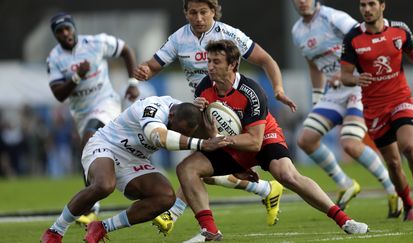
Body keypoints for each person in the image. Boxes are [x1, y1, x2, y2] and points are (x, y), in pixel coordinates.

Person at [177, 39, 368, 242]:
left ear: (232, 65)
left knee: (286, 175)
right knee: (186, 169)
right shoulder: (204, 88)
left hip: (263, 137)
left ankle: (344, 220)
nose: (210, 67)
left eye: (216, 62)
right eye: (209, 61)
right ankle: (210, 232)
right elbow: (211, 131)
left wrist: (224, 144)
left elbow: (254, 143)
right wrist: (201, 114)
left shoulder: (252, 91)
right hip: (231, 141)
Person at [134, 0, 295, 231]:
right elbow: (153, 65)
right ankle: (266, 190)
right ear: (186, 14)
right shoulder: (179, 38)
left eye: (203, 12)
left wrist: (278, 89)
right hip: (205, 109)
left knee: (196, 165)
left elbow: (266, 60)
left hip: (232, 110)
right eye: (192, 12)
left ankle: (174, 213)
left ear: (213, 12)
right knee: (202, 169)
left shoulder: (229, 35)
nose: (198, 18)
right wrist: (145, 70)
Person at [40, 96, 230, 243]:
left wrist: (237, 165)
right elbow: (160, 138)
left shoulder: (186, 116)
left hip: (134, 158)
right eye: (177, 130)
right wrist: (202, 143)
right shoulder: (153, 108)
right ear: (171, 116)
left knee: (165, 197)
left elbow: (212, 143)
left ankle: (102, 228)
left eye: (184, 134)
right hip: (107, 144)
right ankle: (55, 231)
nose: (179, 135)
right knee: (105, 185)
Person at [291, 0, 401, 216]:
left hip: (359, 85)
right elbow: (313, 64)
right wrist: (317, 97)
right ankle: (345, 183)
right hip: (334, 91)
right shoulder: (297, 30)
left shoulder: (333, 17)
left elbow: (364, 40)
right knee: (306, 139)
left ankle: (393, 189)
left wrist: (347, 73)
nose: (302, 1)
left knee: (350, 144)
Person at [340, 0, 413, 221]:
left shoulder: (400, 30)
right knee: (392, 162)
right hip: (374, 108)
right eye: (363, 5)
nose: (366, 9)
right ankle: (407, 204)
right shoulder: (352, 38)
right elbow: (344, 76)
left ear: (382, 6)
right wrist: (355, 79)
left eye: (371, 4)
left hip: (401, 99)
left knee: (408, 146)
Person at [46, 12, 140, 224]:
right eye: (60, 31)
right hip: (81, 112)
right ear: (55, 35)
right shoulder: (54, 58)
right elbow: (59, 94)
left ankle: (92, 202)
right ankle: (101, 189)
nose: (65, 33)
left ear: (73, 27)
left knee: (90, 138)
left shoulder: (96, 42)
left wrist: (132, 82)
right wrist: (77, 76)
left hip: (105, 103)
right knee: (92, 151)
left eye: (67, 28)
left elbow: (125, 50)